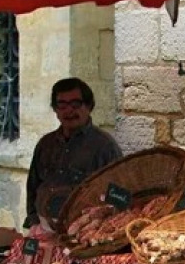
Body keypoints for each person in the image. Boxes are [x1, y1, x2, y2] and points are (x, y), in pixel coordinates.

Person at [24, 77, 122, 229]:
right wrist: (33, 222)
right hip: (43, 229)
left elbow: (119, 197)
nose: (69, 111)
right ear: (55, 110)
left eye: (75, 104)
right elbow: (32, 187)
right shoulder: (45, 144)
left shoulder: (105, 146)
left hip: (84, 232)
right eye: (62, 105)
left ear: (89, 106)